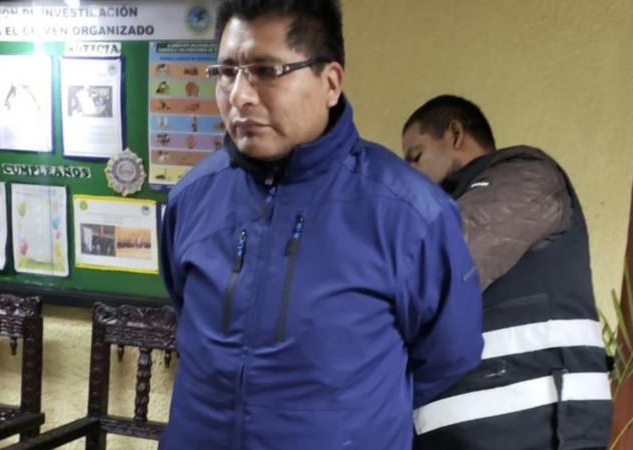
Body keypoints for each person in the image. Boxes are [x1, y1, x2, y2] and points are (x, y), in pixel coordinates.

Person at [158, 2, 484, 449]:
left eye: (266, 71)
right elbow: (185, 312)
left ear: (330, 83)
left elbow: (448, 355)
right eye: (227, 72)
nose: (239, 96)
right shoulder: (192, 198)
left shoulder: (411, 214)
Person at [402, 95, 613, 450]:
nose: (411, 173)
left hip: (534, 429)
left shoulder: (524, 175)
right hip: (480, 433)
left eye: (416, 156)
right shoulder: (448, 207)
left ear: (455, 134)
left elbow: (442, 264)